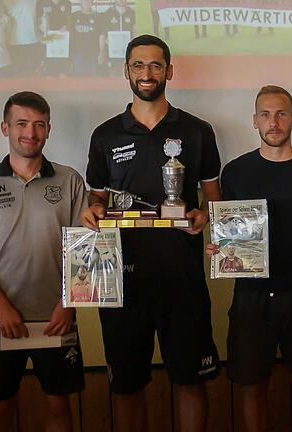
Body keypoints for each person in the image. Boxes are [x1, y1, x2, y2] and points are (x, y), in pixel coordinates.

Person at [81, 34, 221, 432]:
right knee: (127, 387)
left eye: (156, 65)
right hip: (122, 282)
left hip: (183, 278)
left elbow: (212, 196)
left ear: (169, 71)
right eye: (138, 65)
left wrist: (202, 215)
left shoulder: (197, 131)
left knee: (191, 382)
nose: (147, 73)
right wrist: (93, 209)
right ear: (126, 71)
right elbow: (96, 195)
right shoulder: (105, 135)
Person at [0, 91, 87, 431]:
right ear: (5, 128)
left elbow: (84, 248)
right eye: (22, 123)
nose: (31, 132)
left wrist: (68, 304)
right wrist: (2, 308)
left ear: (49, 129)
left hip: (57, 317)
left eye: (39, 124)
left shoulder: (70, 180)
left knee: (60, 407)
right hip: (1, 320)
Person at [207, 84, 292, 432]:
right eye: (265, 114)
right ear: (254, 121)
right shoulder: (235, 172)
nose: (274, 122)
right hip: (250, 296)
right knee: (252, 388)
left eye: (281, 113)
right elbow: (229, 231)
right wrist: (219, 248)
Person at [2, 0, 42, 75]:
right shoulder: (3, 2)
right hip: (15, 42)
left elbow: (40, 18)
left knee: (33, 71)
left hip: (34, 40)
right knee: (18, 72)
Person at [98, 0, 136, 76]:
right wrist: (101, 51)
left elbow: (135, 33)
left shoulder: (132, 13)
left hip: (127, 52)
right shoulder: (108, 13)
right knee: (112, 74)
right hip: (112, 53)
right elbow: (102, 34)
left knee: (126, 75)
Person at [36, 0, 72, 76]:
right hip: (48, 42)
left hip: (62, 42)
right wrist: (40, 27)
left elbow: (69, 21)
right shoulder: (41, 2)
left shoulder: (67, 3)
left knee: (63, 72)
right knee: (49, 72)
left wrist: (67, 27)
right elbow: (37, 21)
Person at [69, 0, 99, 76]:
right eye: (84, 1)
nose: (87, 2)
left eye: (89, 1)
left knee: (93, 78)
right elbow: (69, 35)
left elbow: (101, 35)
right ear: (80, 2)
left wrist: (102, 51)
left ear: (92, 2)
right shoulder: (73, 16)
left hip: (93, 53)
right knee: (78, 79)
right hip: (77, 53)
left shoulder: (98, 16)